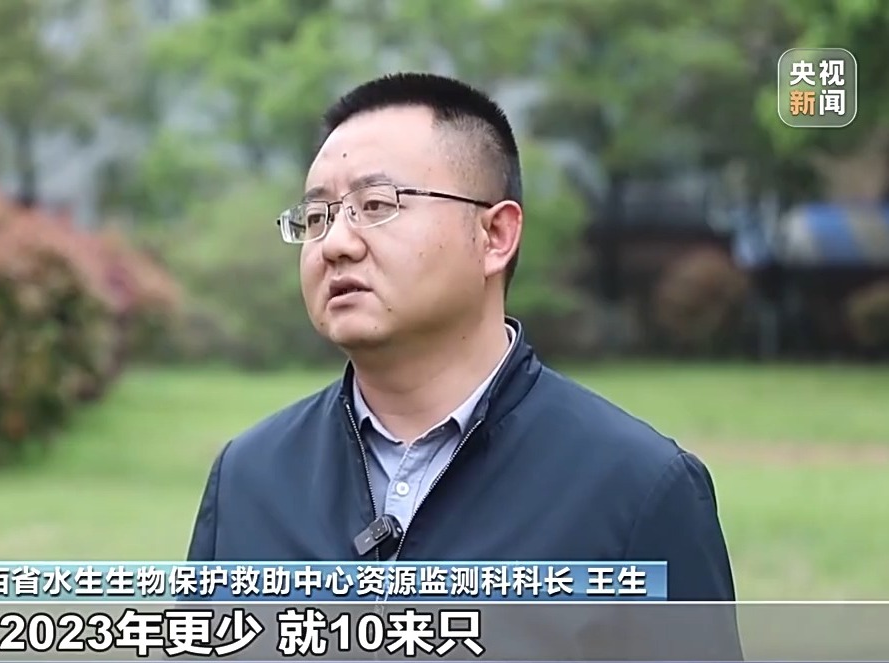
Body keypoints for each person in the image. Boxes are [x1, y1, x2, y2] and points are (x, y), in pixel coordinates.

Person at [186, 72, 740, 658]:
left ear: (495, 235)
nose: (336, 244)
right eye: (318, 217)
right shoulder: (249, 478)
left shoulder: (637, 489)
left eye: (376, 205)